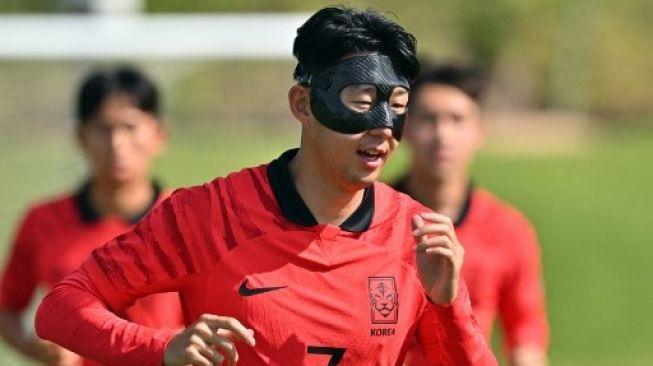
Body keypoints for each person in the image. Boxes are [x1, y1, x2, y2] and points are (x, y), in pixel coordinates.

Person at [34, 7, 497, 366]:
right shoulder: (208, 215)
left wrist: (447, 304)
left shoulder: (415, 236)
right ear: (303, 104)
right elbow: (61, 307)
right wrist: (161, 348)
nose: (382, 128)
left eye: (397, 106)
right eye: (360, 102)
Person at [0, 67, 184, 366]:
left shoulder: (190, 218)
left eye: (129, 127)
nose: (117, 144)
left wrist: (181, 341)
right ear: (80, 136)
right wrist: (34, 348)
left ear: (159, 134)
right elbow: (7, 308)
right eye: (103, 129)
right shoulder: (42, 221)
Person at [394, 63, 549, 366]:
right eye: (428, 119)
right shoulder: (368, 220)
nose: (442, 134)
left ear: (479, 131)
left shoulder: (508, 230)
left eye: (457, 119)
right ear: (405, 128)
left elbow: (525, 338)